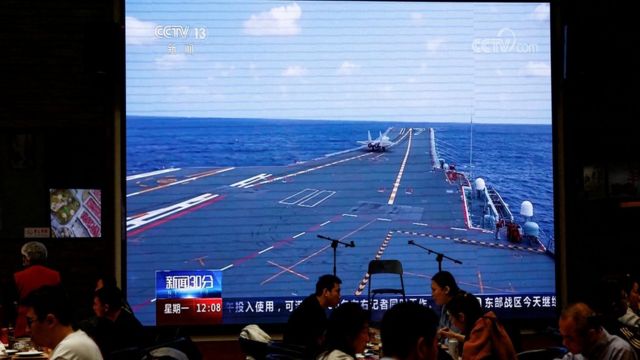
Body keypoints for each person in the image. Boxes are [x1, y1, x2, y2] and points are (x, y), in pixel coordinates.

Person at [21, 285, 103, 360]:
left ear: (50, 321)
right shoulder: (75, 340)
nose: (27, 330)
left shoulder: (69, 349)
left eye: (30, 322)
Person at [443, 292, 516, 360]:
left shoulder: (481, 329)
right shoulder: (486, 321)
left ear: (461, 317)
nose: (452, 322)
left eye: (451, 317)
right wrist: (453, 335)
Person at [12, 241, 61, 337]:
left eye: (24, 256)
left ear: (27, 258)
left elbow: (11, 302)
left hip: (24, 325)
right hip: (49, 325)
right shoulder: (56, 275)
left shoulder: (17, 277)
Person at [284, 274, 342, 355]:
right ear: (326, 292)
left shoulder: (312, 304)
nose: (340, 296)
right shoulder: (311, 311)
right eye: (337, 291)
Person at [558, 302, 637, 360]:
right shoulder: (577, 354)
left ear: (590, 335)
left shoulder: (619, 351)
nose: (564, 343)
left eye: (570, 338)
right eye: (563, 336)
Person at [91, 286, 146, 357]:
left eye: (96, 304)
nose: (94, 308)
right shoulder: (103, 322)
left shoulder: (129, 326)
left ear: (106, 307)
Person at [431, 271, 464, 338]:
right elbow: (441, 331)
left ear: (446, 289)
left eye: (434, 290)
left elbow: (456, 339)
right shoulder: (445, 304)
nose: (432, 294)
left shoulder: (462, 305)